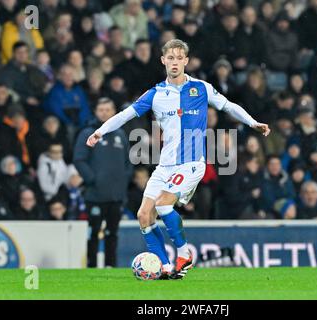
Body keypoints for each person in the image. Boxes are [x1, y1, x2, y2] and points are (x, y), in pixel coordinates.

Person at [86, 39, 270, 279]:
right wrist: (100, 131)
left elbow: (228, 106)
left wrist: (252, 122)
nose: (174, 62)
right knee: (144, 214)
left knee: (163, 204)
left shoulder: (201, 88)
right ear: (163, 61)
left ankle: (184, 253)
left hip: (192, 163)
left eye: (178, 57)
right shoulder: (155, 94)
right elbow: (125, 114)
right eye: (169, 58)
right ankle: (164, 267)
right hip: (165, 165)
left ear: (186, 61)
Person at [74, 97, 132, 268]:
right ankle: (91, 267)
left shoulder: (121, 135)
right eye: (101, 110)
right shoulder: (87, 134)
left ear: (114, 111)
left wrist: (123, 182)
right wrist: (92, 179)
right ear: (96, 112)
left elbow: (128, 164)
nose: (105, 113)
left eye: (108, 109)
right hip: (95, 194)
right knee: (93, 233)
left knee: (112, 234)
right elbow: (79, 159)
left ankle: (111, 266)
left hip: (116, 195)